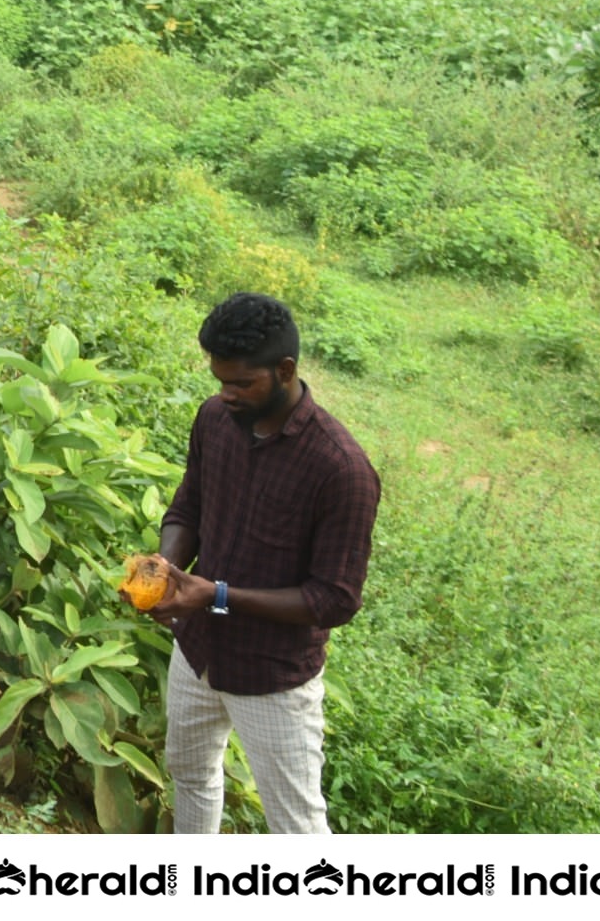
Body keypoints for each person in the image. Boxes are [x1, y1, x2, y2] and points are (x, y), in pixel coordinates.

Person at [133, 292, 380, 835]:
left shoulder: (340, 469)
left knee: (296, 826)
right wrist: (165, 568)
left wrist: (217, 596)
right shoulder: (215, 420)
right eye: (221, 380)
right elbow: (188, 507)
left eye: (242, 383)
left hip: (272, 677)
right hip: (197, 651)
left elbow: (334, 599)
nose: (227, 394)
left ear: (285, 370)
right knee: (191, 776)